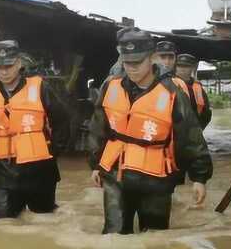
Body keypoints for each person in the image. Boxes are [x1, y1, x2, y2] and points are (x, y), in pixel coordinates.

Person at [87, 28, 213, 234]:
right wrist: (95, 163)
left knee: (154, 236)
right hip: (115, 174)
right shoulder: (111, 86)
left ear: (152, 58)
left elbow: (190, 136)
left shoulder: (172, 92)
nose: (132, 68)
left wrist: (199, 177)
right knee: (113, 235)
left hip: (156, 178)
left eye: (138, 62)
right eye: (128, 63)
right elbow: (98, 126)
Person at [0, 40, 70, 219]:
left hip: (39, 168)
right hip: (4, 170)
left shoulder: (39, 86)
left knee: (43, 221)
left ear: (19, 63)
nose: (4, 71)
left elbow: (62, 119)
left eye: (9, 66)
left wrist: (54, 151)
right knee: (3, 222)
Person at [175, 53, 212, 130]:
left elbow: (206, 112)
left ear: (192, 68)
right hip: (175, 130)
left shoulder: (198, 87)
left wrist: (200, 128)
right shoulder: (168, 85)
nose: (182, 69)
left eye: (186, 66)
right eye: (179, 66)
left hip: (195, 128)